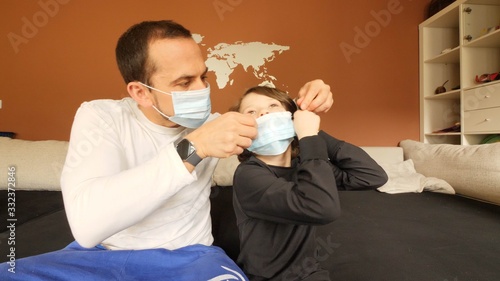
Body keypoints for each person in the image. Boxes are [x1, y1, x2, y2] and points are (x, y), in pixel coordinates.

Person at [0, 20, 334, 280]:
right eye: (184, 83)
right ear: (140, 92)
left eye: (203, 76)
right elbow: (87, 227)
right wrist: (195, 147)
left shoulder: (218, 125)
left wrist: (309, 101)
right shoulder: (101, 117)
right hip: (98, 257)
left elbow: (287, 134)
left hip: (189, 259)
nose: (202, 90)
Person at [229, 86, 388, 280]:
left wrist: (314, 132)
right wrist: (309, 138)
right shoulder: (248, 174)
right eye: (251, 111)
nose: (263, 112)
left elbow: (372, 175)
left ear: (291, 118)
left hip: (309, 274)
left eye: (273, 105)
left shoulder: (303, 167)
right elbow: (321, 208)